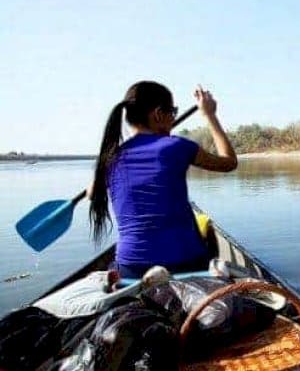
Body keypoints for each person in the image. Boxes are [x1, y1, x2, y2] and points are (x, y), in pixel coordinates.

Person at [88, 81, 238, 279]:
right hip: (184, 265)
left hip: (129, 269)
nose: (173, 119)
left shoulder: (109, 159)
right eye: (172, 113)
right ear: (158, 114)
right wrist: (209, 115)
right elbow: (229, 162)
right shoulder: (175, 146)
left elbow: (91, 194)